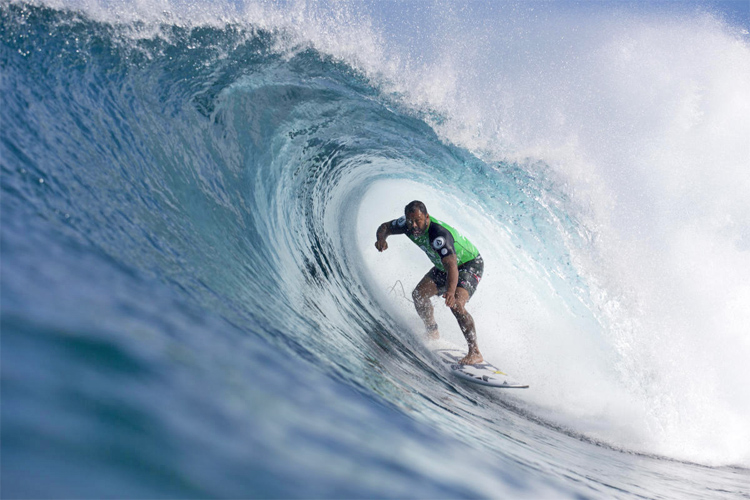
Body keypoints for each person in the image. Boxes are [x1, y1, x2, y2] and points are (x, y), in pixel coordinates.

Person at [375, 200, 485, 365]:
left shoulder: (438, 235)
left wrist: (450, 291)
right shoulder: (407, 224)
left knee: (457, 305)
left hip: (467, 265)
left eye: (418, 220)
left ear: (426, 217)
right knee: (419, 294)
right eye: (410, 221)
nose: (414, 225)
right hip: (444, 265)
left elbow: (452, 267)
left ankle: (475, 352)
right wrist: (381, 239)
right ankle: (432, 331)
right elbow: (385, 227)